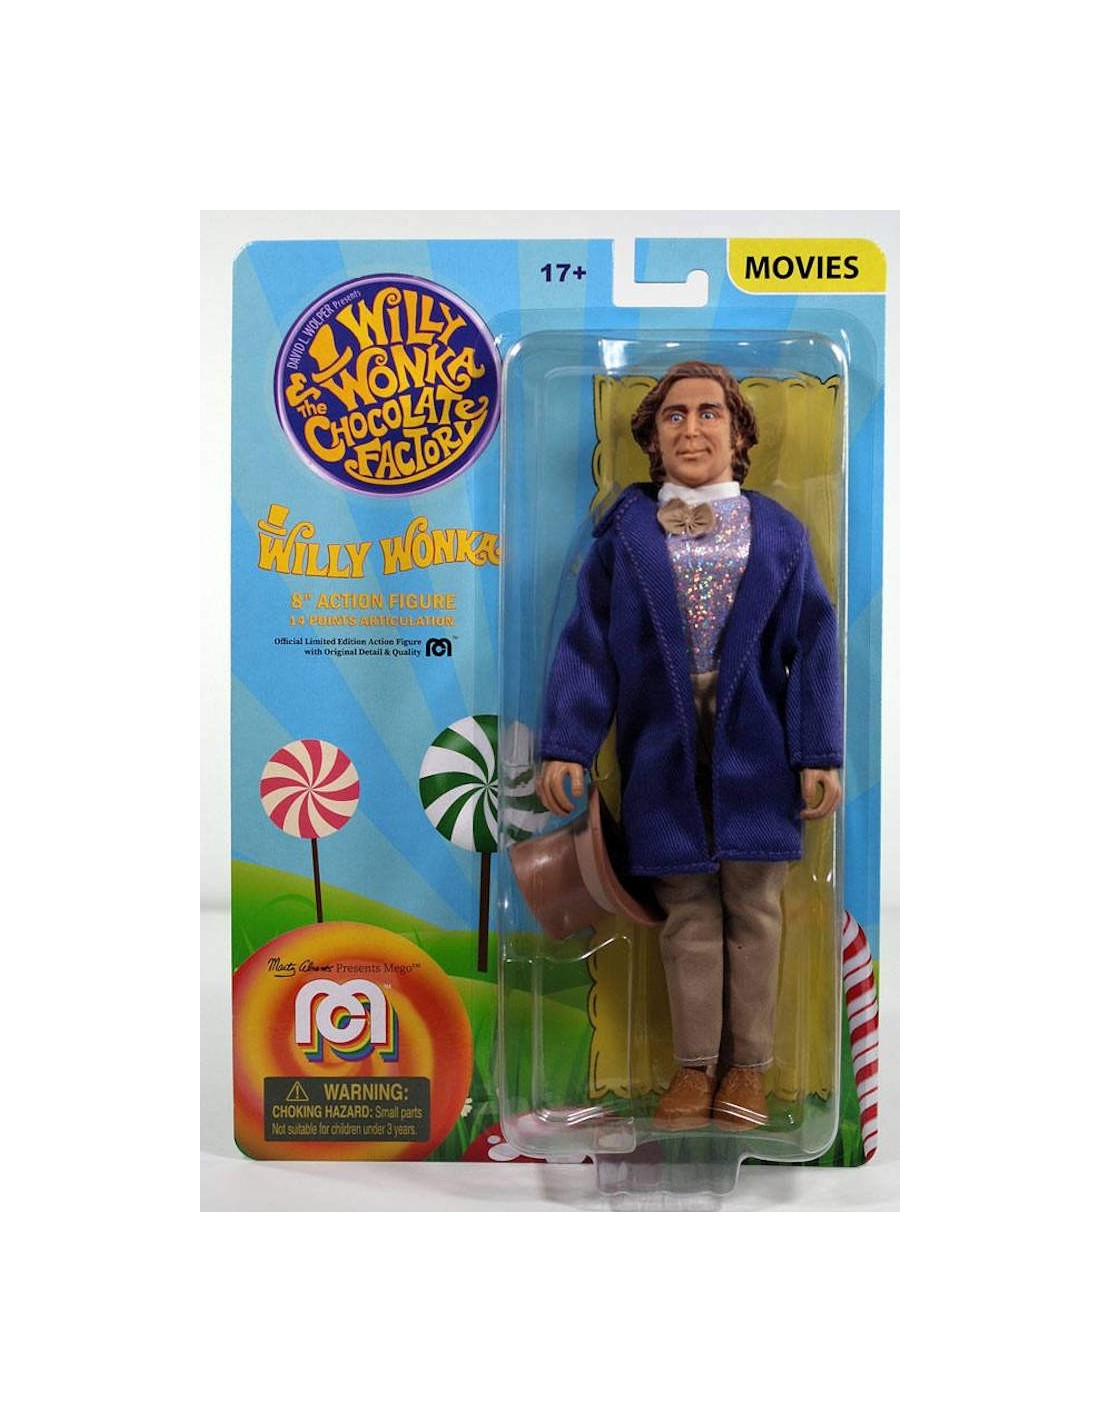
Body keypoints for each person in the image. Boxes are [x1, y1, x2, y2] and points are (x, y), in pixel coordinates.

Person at [536, 360, 842, 1130]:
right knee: (687, 912)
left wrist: (817, 751)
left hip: (759, 743)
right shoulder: (626, 537)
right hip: (660, 746)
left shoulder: (778, 533)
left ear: (739, 435)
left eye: (710, 413)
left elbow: (812, 644)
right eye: (675, 416)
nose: (692, 428)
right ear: (652, 438)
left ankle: (750, 1069)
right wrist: (569, 741)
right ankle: (694, 1066)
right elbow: (589, 643)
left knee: (756, 907)